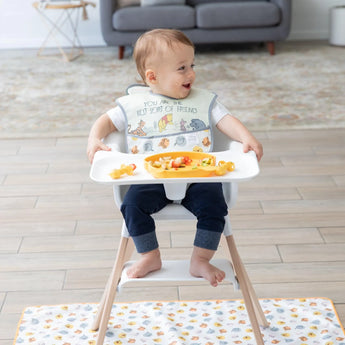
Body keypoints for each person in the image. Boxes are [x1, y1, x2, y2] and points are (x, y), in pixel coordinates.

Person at [87, 29, 263, 287]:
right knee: (132, 206)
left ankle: (200, 259)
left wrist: (247, 137)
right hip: (151, 177)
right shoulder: (135, 106)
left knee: (215, 207)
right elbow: (105, 122)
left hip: (198, 176)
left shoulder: (204, 102)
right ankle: (149, 255)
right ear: (152, 76)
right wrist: (95, 140)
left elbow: (227, 121)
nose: (191, 73)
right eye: (181, 68)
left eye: (192, 65)